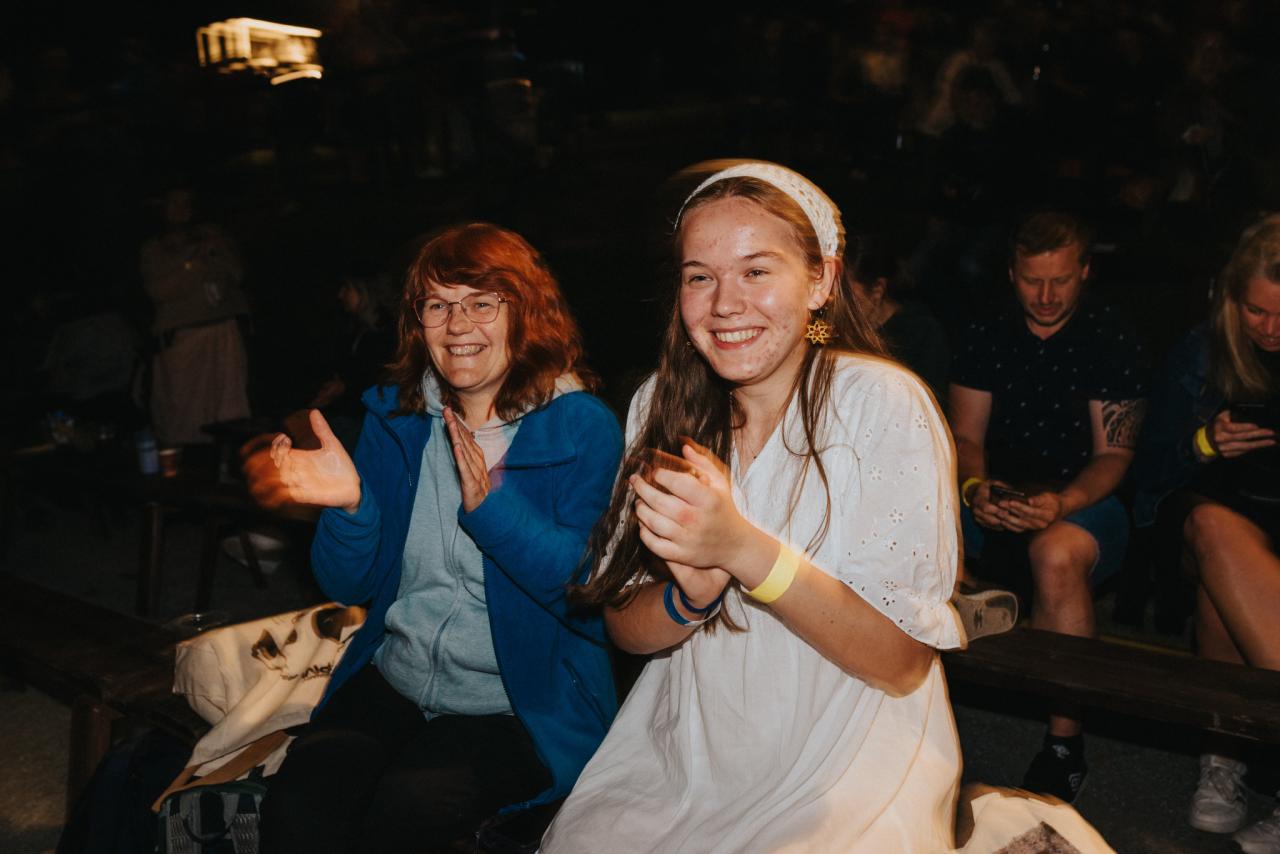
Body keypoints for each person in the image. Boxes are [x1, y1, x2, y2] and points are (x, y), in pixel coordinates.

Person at [541, 160, 967, 851]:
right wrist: (690, 598)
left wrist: (743, 550)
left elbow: (900, 664)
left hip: (846, 753)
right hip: (691, 749)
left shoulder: (880, 403)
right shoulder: (661, 404)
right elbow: (624, 627)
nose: (724, 304)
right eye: (699, 277)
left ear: (821, 281)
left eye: (756, 271)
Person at [253, 223, 623, 852]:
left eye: (482, 303)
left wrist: (493, 513)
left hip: (518, 701)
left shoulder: (579, 427)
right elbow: (348, 584)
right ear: (416, 323)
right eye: (437, 305)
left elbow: (588, 592)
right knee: (299, 806)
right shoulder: (397, 419)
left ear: (525, 313)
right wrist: (350, 508)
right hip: (397, 673)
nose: (457, 325)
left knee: (408, 810)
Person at [949, 211, 1146, 802]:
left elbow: (1114, 455)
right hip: (998, 488)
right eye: (1033, 280)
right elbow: (965, 438)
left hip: (1085, 496)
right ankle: (917, 709)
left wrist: (1063, 502)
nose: (1046, 296)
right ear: (1012, 274)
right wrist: (973, 489)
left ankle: (1065, 743)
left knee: (1056, 553)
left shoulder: (1111, 336)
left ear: (1084, 271)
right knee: (916, 512)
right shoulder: (986, 330)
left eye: (1060, 280)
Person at [1134, 214, 1280, 851]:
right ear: (1232, 298)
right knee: (1217, 532)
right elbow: (1145, 478)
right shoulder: (1200, 351)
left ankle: (1224, 757)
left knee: (1224, 594)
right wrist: (1205, 442)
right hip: (1203, 522)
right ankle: (1226, 759)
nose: (1270, 330)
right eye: (1256, 311)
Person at [141, 187, 250, 445]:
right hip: (183, 340)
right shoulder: (155, 249)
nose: (181, 210)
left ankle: (228, 454)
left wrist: (216, 249)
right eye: (174, 203)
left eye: (186, 203)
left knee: (228, 404)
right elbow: (157, 291)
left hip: (223, 332)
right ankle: (183, 455)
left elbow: (237, 274)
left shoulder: (213, 237)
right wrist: (191, 264)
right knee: (183, 409)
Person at [848, 233, 949, 402]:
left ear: (878, 289)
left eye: (846, 295)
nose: (833, 300)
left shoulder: (922, 335)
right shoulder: (828, 329)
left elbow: (925, 406)